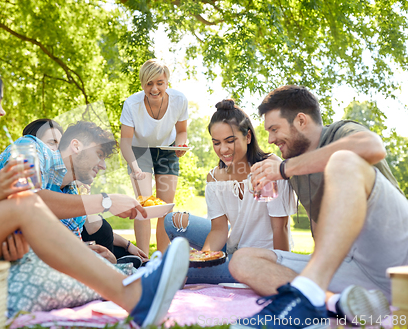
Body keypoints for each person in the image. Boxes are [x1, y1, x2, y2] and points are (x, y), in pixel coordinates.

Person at [0, 59, 190, 327]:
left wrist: (7, 236)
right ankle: (134, 296)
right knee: (24, 205)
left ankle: (135, 281)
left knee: (63, 276)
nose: (3, 111)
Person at [228, 85, 408, 328]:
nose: (270, 139)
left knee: (343, 160)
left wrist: (283, 169)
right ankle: (336, 304)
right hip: (354, 271)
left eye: (274, 129)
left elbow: (373, 147)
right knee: (241, 260)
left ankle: (309, 290)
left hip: (397, 253)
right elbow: (319, 232)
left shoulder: (340, 132)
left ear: (301, 120)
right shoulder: (296, 170)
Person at [164, 99, 297, 284]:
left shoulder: (269, 168)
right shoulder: (215, 178)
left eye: (230, 140)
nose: (223, 149)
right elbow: (219, 230)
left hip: (261, 259)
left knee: (177, 271)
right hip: (234, 248)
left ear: (248, 137)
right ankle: (185, 268)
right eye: (216, 143)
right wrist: (204, 259)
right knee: (171, 221)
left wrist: (280, 272)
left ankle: (163, 271)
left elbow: (280, 227)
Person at [0, 118, 148, 267]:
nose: (103, 166)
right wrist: (106, 201)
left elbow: (69, 244)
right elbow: (25, 200)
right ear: (76, 146)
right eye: (99, 154)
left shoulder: (70, 191)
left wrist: (104, 259)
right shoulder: (30, 147)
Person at [120, 59, 189, 254]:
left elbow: (181, 131)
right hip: (139, 151)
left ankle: (163, 259)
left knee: (165, 209)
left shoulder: (179, 100)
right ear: (142, 84)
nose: (154, 88)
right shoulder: (132, 104)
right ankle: (143, 260)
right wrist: (135, 167)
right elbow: (125, 141)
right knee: (144, 206)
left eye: (159, 82)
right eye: (149, 83)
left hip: (167, 150)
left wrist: (180, 145)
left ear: (167, 81)